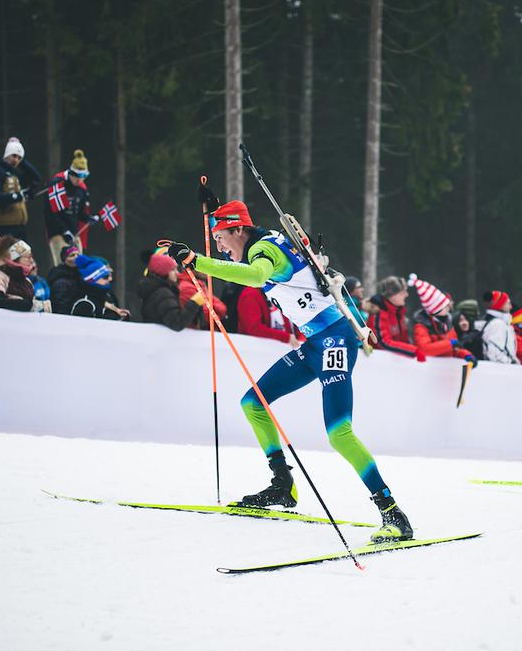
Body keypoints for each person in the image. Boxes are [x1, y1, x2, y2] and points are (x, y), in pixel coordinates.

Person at [166, 199, 412, 542]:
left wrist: (197, 261)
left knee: (339, 434)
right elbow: (328, 280)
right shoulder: (264, 242)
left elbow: (255, 277)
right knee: (253, 403)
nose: (220, 247)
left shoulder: (265, 252)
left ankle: (393, 515)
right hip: (315, 344)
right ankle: (283, 484)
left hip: (335, 342)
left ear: (238, 229)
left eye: (221, 238)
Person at [0, 137, 43, 239]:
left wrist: (23, 160)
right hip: (3, 228)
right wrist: (18, 196)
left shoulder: (12, 173)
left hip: (19, 227)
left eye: (19, 158)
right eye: (13, 156)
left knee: (24, 255)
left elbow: (36, 178)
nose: (16, 160)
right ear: (6, 154)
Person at [408, 273, 476, 366]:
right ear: (435, 309)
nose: (448, 308)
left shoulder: (447, 323)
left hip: (446, 373)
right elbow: (424, 349)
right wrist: (450, 344)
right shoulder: (421, 326)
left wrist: (467, 355)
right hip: (428, 373)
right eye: (444, 305)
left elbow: (454, 349)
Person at [45, 149, 96, 265]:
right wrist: (64, 231)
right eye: (77, 175)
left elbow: (80, 213)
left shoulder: (81, 190)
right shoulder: (57, 186)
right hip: (58, 234)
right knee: (62, 265)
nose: (80, 179)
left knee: (80, 265)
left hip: (74, 234)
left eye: (84, 176)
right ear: (71, 173)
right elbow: (51, 214)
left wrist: (88, 218)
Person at [137, 253, 207, 331]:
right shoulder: (162, 294)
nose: (177, 273)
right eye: (173, 270)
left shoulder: (155, 291)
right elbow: (176, 323)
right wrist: (194, 303)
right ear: (163, 271)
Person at [365, 275, 426, 362]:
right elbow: (383, 342)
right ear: (392, 296)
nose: (407, 295)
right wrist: (413, 351)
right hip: (378, 365)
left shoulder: (398, 312)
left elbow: (405, 340)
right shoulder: (377, 313)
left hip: (396, 364)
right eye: (403, 292)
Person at [0, 237, 51, 313]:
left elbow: (29, 304)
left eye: (31, 257)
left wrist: (42, 306)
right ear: (14, 258)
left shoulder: (26, 280)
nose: (31, 261)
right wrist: (20, 304)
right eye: (28, 257)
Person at [480, 290, 519, 364]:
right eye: (508, 303)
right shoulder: (497, 325)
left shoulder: (502, 323)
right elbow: (495, 355)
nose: (511, 307)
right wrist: (511, 364)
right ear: (500, 305)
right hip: (501, 371)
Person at [48, 245, 83, 314]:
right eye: (72, 255)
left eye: (78, 255)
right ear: (64, 259)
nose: (76, 257)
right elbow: (61, 307)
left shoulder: (82, 275)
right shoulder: (60, 281)